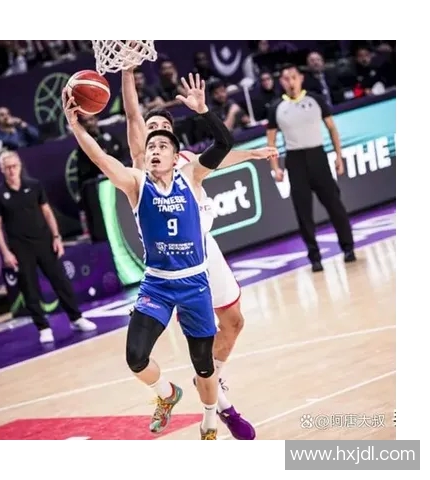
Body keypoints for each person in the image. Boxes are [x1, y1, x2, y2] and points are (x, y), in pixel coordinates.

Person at [63, 74, 235, 440]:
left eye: (162, 145)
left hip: (194, 283)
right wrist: (75, 126)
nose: (155, 149)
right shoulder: (135, 183)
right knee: (135, 357)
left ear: (176, 155)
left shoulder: (192, 175)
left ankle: (209, 419)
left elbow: (224, 142)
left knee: (204, 366)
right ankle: (167, 394)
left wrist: (204, 111)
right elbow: (100, 157)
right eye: (151, 145)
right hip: (157, 285)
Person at [122, 70, 277, 440]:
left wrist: (253, 153)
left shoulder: (187, 161)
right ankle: (221, 406)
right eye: (150, 128)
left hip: (207, 249)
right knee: (193, 347)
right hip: (175, 263)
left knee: (235, 322)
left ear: (173, 139)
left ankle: (210, 380)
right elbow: (131, 115)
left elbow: (220, 154)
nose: (154, 132)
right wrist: (127, 70)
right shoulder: (143, 165)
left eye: (162, 127)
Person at [0, 151, 97, 343]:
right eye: (7, 167)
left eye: (14, 166)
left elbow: (47, 212)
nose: (12, 170)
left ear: (20, 166)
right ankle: (43, 327)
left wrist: (56, 237)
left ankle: (76, 318)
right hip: (20, 247)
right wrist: (5, 252)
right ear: (1, 169)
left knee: (60, 281)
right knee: (29, 288)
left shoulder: (34, 185)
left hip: (44, 241)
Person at [267, 64, 355, 272]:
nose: (290, 81)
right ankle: (314, 257)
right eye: (286, 78)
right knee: (303, 213)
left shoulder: (316, 100)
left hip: (318, 157)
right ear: (282, 82)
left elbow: (332, 128)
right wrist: (275, 167)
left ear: (300, 78)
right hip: (295, 161)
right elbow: (271, 141)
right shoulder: (276, 107)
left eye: (293, 77)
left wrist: (339, 156)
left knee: (335, 206)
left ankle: (348, 248)